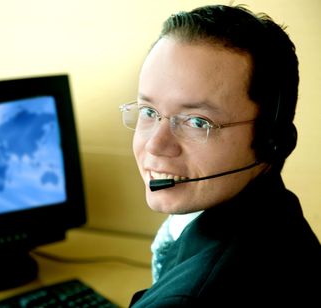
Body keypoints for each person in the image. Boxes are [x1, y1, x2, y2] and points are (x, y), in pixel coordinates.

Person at [119, 4, 321, 307]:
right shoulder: (276, 210)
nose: (155, 146)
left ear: (272, 141)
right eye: (149, 111)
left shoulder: (193, 296)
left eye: (197, 121)